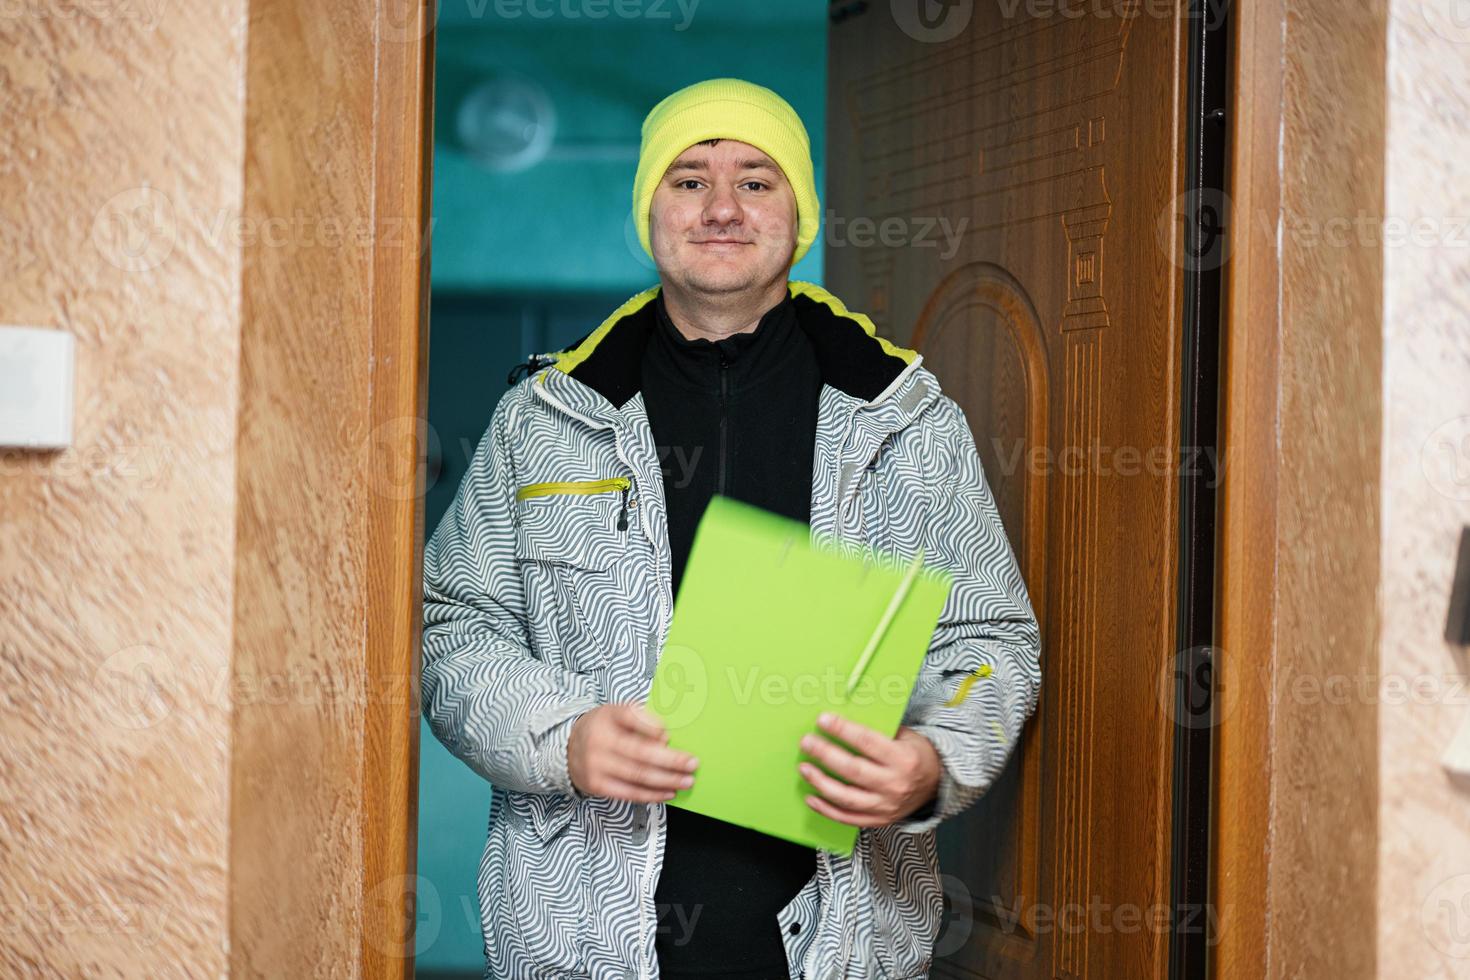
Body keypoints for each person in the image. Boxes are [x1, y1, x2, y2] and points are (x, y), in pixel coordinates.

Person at [421, 77, 1042, 980]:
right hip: (585, 943)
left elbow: (990, 642)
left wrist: (932, 760)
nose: (720, 207)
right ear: (649, 212)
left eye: (756, 180)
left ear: (801, 215)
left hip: (841, 943)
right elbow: (455, 627)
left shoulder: (905, 420)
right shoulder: (544, 420)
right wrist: (564, 737)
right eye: (687, 179)